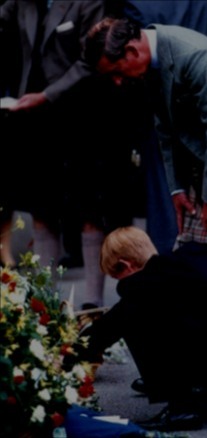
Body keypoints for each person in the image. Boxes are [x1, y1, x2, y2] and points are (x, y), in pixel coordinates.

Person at [0, 0, 139, 309]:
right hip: (33, 117)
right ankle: (45, 301)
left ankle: (92, 303)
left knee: (89, 210)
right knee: (41, 210)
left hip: (82, 114)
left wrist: (48, 95)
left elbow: (90, 60)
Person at [84, 17, 207, 270]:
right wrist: (177, 189)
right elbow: (165, 130)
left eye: (117, 71)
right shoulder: (150, 65)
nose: (118, 81)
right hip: (204, 173)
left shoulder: (196, 57)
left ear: (132, 51)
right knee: (197, 261)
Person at [78, 226, 207, 432]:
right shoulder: (189, 256)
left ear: (127, 265)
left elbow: (104, 331)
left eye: (118, 277)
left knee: (136, 318)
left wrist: (67, 354)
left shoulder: (142, 286)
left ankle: (182, 408)